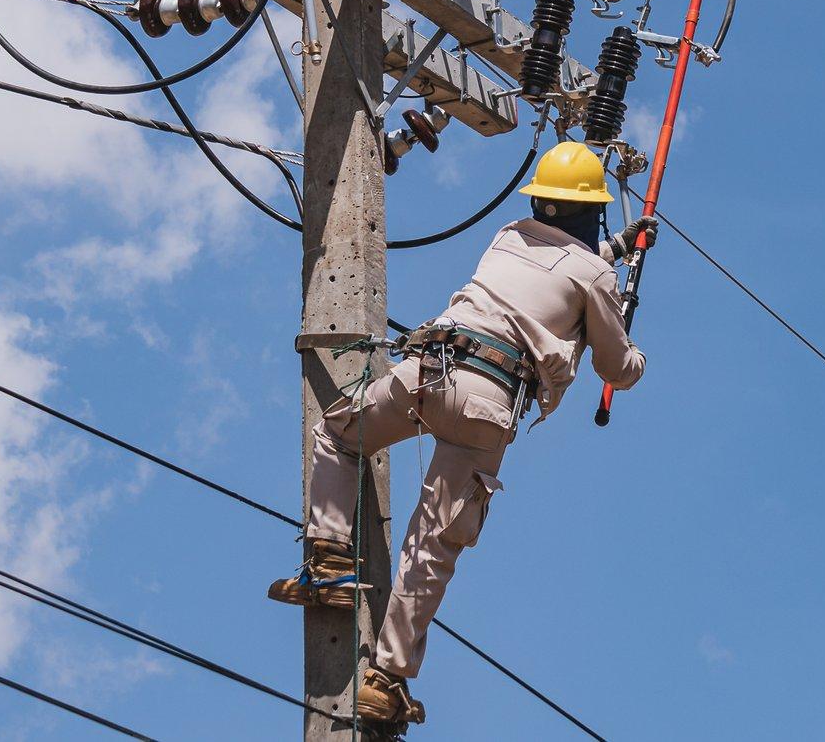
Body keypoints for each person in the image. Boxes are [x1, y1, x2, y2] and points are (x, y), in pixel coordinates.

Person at [268, 141, 653, 729]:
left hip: (430, 370)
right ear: (592, 209)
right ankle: (385, 681)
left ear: (541, 202)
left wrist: (616, 252)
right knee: (432, 545)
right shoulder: (596, 275)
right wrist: (631, 339)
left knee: (340, 434)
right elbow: (614, 367)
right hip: (487, 405)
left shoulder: (508, 235)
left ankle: (327, 562)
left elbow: (552, 268)